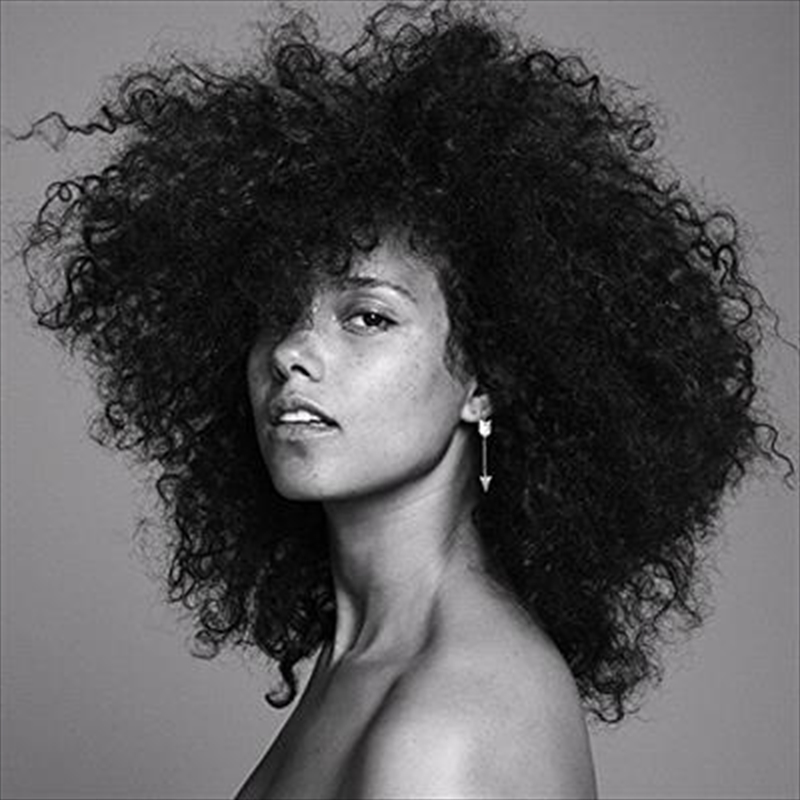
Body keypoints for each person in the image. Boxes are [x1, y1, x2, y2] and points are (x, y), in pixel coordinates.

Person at [14, 1, 793, 797]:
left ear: (483, 380)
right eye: (275, 313)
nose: (289, 351)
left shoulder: (442, 729)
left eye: (368, 317)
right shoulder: (366, 658)